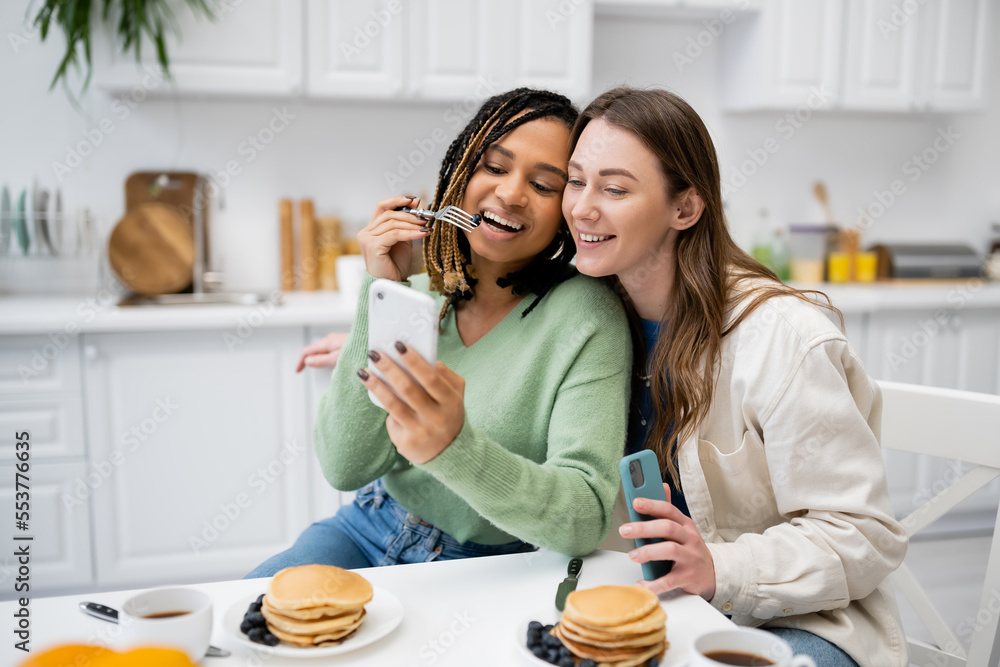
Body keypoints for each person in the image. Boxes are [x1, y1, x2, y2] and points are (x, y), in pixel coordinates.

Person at [561, 87, 908, 667]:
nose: (582, 207)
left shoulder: (782, 337)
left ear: (685, 209)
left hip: (798, 624)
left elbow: (862, 535)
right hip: (653, 609)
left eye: (615, 188)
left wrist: (720, 567)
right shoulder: (585, 320)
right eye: (576, 180)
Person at [247, 88, 632, 577]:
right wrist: (380, 294)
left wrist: (454, 447)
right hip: (365, 528)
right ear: (460, 170)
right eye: (494, 167)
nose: (511, 193)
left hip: (482, 567)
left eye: (543, 185)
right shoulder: (417, 280)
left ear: (568, 208)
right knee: (241, 622)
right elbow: (346, 466)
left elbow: (583, 516)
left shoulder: (586, 317)